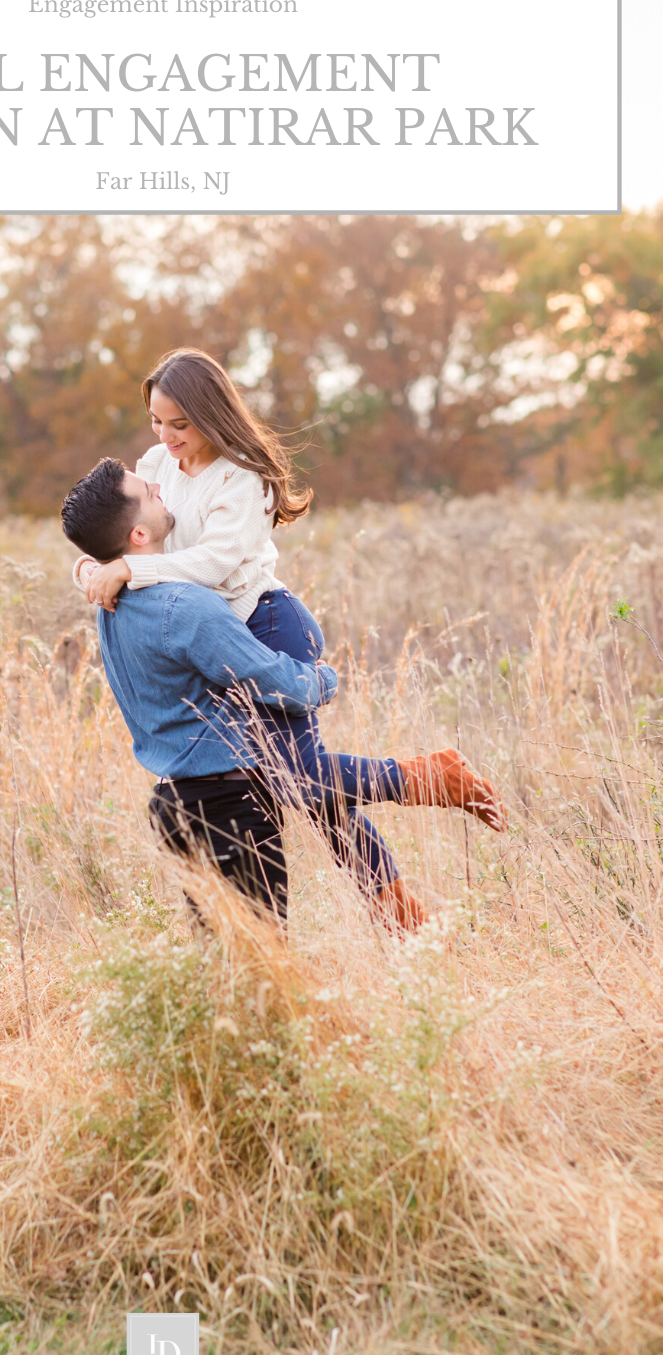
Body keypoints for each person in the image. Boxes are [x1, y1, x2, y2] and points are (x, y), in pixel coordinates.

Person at [71, 349, 507, 925]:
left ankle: (430, 779)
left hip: (265, 621)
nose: (165, 435)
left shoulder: (241, 476)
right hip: (206, 634)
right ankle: (403, 914)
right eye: (157, 419)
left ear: (212, 413)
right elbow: (114, 529)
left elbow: (216, 564)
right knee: (315, 793)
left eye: (180, 423)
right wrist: (89, 569)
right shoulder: (156, 463)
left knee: (299, 778)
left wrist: (130, 571)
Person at [63, 459, 449, 932]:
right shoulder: (186, 606)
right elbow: (272, 680)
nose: (160, 486)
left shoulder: (109, 603)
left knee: (227, 963)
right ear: (138, 535)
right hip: (229, 802)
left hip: (172, 808)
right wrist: (323, 681)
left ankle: (403, 917)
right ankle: (423, 782)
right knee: (263, 961)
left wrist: (90, 566)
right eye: (148, 492)